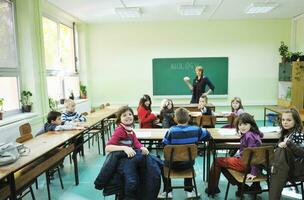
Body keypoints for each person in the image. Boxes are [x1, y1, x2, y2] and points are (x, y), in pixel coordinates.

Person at [205, 113, 263, 196]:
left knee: (217, 161)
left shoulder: (249, 136)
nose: (242, 127)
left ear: (251, 124)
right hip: (246, 161)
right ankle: (242, 186)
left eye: (245, 124)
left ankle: (212, 189)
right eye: (240, 124)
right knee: (222, 164)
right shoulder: (254, 133)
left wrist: (253, 172)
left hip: (245, 163)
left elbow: (253, 155)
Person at [158, 107, 210, 199]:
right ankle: (189, 191)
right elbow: (207, 135)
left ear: (175, 119)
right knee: (188, 157)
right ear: (189, 118)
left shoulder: (171, 131)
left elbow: (164, 146)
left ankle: (168, 191)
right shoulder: (196, 130)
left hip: (172, 165)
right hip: (188, 164)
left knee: (162, 164)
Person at [105, 106, 150, 199]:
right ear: (119, 119)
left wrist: (142, 147)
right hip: (120, 161)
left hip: (128, 159)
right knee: (131, 180)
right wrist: (124, 148)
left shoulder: (130, 131)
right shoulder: (119, 130)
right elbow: (108, 147)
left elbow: (136, 143)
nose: (128, 116)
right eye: (124, 115)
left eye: (130, 114)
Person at [269, 108, 304, 200]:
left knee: (281, 152)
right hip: (283, 165)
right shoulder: (285, 133)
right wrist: (279, 144)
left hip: (295, 167)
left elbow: (301, 153)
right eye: (283, 120)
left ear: (295, 121)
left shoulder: (297, 135)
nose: (285, 122)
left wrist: (289, 144)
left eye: (289, 120)